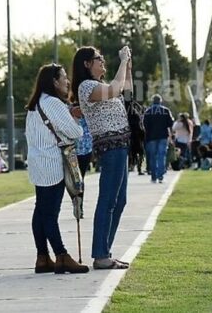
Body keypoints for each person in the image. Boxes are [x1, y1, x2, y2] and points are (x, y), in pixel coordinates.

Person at [25, 63, 89, 274]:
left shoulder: (36, 103)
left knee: (41, 211)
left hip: (37, 161)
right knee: (50, 213)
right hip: (52, 162)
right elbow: (75, 132)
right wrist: (76, 120)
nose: (67, 81)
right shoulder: (53, 103)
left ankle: (42, 257)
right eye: (63, 77)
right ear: (54, 81)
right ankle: (61, 255)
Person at [73, 45, 132, 270]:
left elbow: (125, 89)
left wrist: (128, 65)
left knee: (119, 200)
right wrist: (122, 60)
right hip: (110, 148)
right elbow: (115, 89)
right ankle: (100, 254)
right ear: (87, 64)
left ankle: (105, 251)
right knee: (108, 200)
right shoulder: (87, 86)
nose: (103, 61)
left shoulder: (100, 85)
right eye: (99, 58)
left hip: (120, 147)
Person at [142, 94, 174, 183]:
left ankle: (153, 176)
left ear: (153, 101)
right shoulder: (166, 110)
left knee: (153, 157)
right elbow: (170, 123)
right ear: (160, 101)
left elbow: (144, 125)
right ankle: (160, 175)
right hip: (163, 136)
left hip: (151, 137)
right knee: (161, 156)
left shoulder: (148, 111)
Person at [74, 111, 93, 178]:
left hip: (87, 150)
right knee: (73, 179)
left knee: (80, 178)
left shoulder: (89, 114)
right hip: (73, 152)